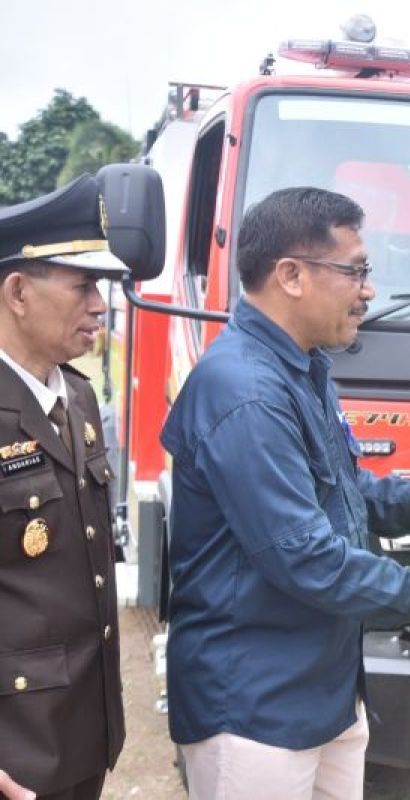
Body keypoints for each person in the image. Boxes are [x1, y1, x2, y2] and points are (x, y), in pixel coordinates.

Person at [161, 187, 410, 800]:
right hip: (255, 707)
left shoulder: (301, 368)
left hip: (323, 689)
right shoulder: (245, 391)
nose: (368, 290)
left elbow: (339, 492)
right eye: (355, 270)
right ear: (291, 275)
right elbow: (305, 557)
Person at [0, 176, 129, 800]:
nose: (101, 305)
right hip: (15, 749)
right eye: (83, 285)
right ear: (17, 292)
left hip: (82, 728)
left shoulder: (75, 394)